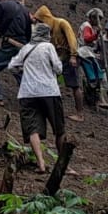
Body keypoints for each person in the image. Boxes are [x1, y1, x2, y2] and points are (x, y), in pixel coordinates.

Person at [7, 23, 64, 173]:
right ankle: (63, 164)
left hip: (27, 93)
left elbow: (12, 66)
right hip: (49, 91)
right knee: (59, 129)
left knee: (32, 129)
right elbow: (58, 68)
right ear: (47, 35)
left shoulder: (26, 49)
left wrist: (23, 73)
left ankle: (41, 163)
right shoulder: (48, 47)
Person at [34, 6, 84, 122]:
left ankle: (80, 114)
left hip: (70, 57)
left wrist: (73, 55)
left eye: (41, 21)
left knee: (74, 85)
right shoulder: (48, 32)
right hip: (59, 59)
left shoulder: (61, 23)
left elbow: (72, 40)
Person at [78, 8, 108, 109]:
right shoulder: (86, 26)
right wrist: (95, 35)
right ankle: (95, 96)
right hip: (85, 53)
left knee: (98, 73)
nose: (97, 20)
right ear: (92, 18)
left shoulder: (90, 26)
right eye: (96, 18)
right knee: (93, 75)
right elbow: (86, 38)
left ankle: (97, 97)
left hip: (89, 52)